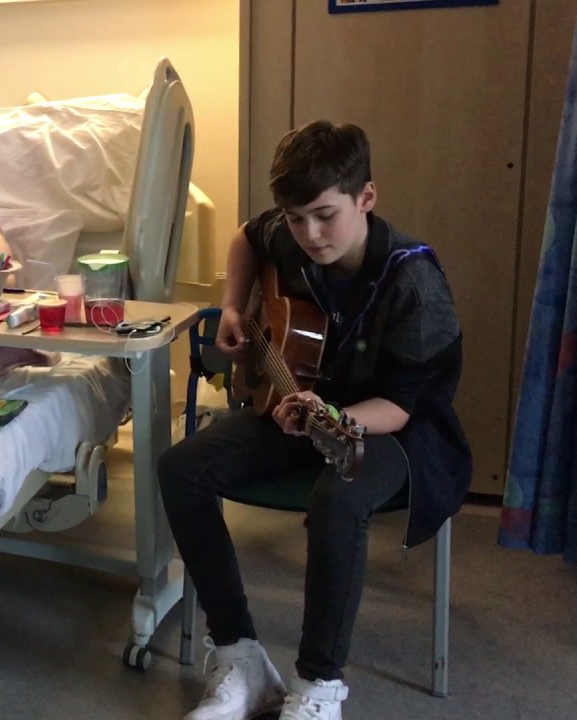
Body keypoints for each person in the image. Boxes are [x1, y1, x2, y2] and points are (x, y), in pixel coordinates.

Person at [158, 121, 471, 720]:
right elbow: (250, 235)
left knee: (337, 501)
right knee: (181, 468)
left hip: (391, 431)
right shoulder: (290, 234)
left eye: (325, 215)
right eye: (297, 218)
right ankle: (240, 656)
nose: (309, 234)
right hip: (300, 406)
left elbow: (403, 406)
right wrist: (232, 304)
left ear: (367, 198)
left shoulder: (414, 281)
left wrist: (332, 414)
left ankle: (318, 688)